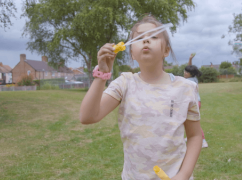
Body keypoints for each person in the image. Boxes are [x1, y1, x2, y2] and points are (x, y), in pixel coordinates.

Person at [79, 15, 203, 180]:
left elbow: (195, 136)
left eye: (153, 36)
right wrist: (101, 75)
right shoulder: (125, 83)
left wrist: (184, 175)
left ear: (166, 50)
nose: (146, 41)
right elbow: (88, 116)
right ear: (131, 53)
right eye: (139, 38)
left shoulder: (186, 88)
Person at [184, 54, 209, 148]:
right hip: (195, 102)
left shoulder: (190, 81)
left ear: (191, 74)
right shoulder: (192, 78)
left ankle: (203, 141)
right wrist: (190, 59)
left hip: (193, 103)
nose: (185, 72)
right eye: (185, 71)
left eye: (187, 72)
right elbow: (190, 67)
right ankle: (189, 136)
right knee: (187, 121)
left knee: (194, 123)